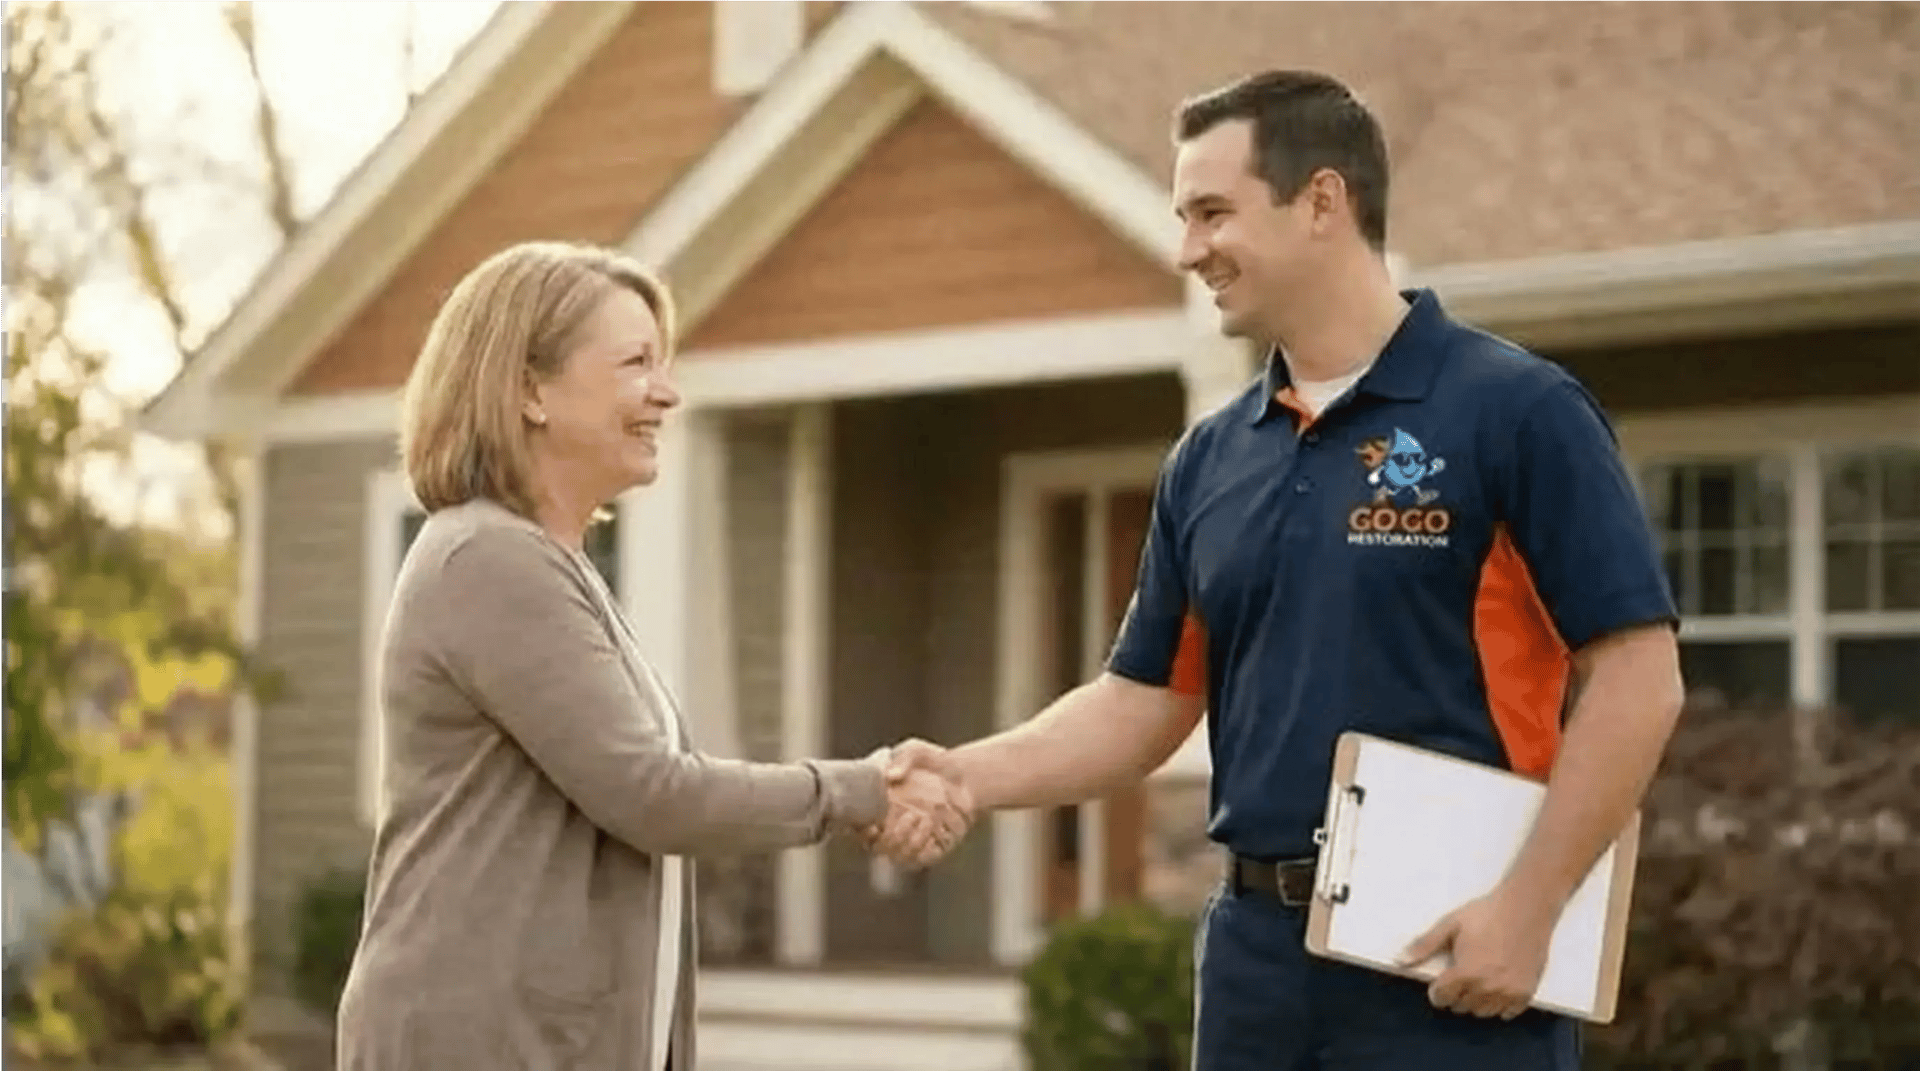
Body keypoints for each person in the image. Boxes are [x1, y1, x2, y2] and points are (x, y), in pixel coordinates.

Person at [873, 70, 1685, 1069]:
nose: (1187, 250)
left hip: (1451, 965)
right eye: (1183, 217)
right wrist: (962, 775)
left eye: (1214, 213)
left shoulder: (1518, 413)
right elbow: (1141, 703)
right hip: (1255, 968)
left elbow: (1640, 681)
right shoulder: (1211, 460)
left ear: (1323, 202)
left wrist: (1530, 906)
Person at [334, 240, 971, 1071]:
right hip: (481, 1038)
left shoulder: (550, 565)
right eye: (637, 363)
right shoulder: (488, 559)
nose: (666, 392)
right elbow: (652, 793)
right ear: (529, 388)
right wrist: (859, 790)